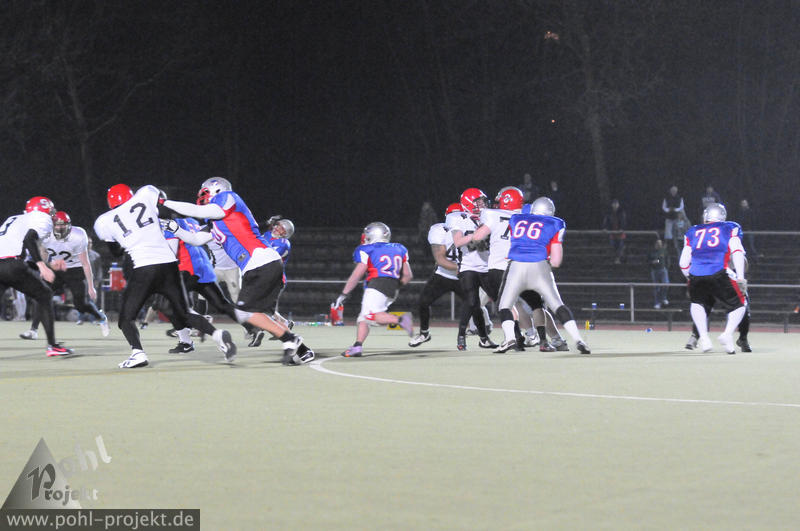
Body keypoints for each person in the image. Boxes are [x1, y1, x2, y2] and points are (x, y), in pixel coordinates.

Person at [160, 177, 313, 365]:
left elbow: (197, 211)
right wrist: (175, 229)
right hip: (259, 265)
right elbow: (196, 240)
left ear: (217, 190)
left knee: (244, 313)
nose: (202, 196)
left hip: (261, 261)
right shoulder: (215, 221)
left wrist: (164, 202)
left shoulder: (228, 197)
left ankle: (291, 340)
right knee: (261, 315)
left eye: (205, 192)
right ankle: (303, 350)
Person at [94, 184, 237, 368]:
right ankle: (217, 336)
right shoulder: (145, 195)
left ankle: (138, 353)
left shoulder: (104, 221)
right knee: (184, 312)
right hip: (169, 265)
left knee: (126, 318)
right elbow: (161, 208)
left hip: (144, 268)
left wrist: (125, 237)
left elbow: (116, 252)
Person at [460, 187, 567, 352]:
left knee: (506, 305)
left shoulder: (492, 215)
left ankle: (515, 337)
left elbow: (478, 236)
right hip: (526, 265)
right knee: (535, 305)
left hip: (501, 269)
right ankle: (549, 339)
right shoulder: (527, 213)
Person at [493, 197, 590, 354]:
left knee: (504, 305)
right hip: (539, 266)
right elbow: (556, 261)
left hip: (516, 266)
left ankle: (510, 338)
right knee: (557, 305)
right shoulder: (555, 223)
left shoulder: (516, 219)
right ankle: (578, 339)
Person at [159, 215, 249, 353]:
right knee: (221, 304)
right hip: (204, 266)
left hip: (187, 269)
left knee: (169, 306)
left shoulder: (167, 223)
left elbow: (171, 252)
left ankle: (214, 334)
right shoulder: (192, 221)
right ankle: (253, 326)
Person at [0, 197, 73, 356]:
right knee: (45, 294)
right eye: (50, 211)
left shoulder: (14, 219)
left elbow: (20, 248)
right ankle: (52, 346)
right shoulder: (41, 218)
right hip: (12, 265)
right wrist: (42, 266)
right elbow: (29, 239)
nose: (52, 214)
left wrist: (48, 263)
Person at [19, 211, 109, 339]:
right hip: (56, 269)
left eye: (63, 225)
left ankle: (100, 317)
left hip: (75, 269)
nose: (60, 228)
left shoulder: (78, 235)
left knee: (81, 305)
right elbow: (43, 253)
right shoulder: (45, 233)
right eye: (57, 225)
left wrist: (91, 286)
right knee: (41, 295)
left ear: (69, 225)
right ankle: (33, 330)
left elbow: (85, 263)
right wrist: (48, 266)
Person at [333, 222, 414, 357]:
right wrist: (395, 286)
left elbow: (357, 274)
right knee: (363, 317)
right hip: (393, 285)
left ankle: (401, 320)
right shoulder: (399, 248)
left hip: (377, 283)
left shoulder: (367, 249)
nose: (365, 238)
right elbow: (408, 275)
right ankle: (357, 346)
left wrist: (344, 293)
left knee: (369, 316)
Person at [678, 203, 747, 354]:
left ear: (706, 216)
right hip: (718, 271)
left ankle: (704, 339)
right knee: (740, 304)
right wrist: (741, 277)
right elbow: (737, 251)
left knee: (697, 303)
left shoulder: (692, 231)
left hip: (696, 273)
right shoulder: (730, 227)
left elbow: (683, 263)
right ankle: (727, 334)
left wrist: (690, 277)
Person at [408, 203, 466, 347]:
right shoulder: (439, 230)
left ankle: (484, 335)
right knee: (423, 302)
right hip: (444, 275)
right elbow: (440, 260)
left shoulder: (471, 229)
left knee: (476, 305)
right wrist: (462, 268)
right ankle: (424, 333)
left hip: (463, 275)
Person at [448, 188, 497, 351]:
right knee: (472, 302)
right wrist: (476, 235)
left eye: (482, 201)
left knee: (501, 300)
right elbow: (458, 242)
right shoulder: (458, 218)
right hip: (468, 266)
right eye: (478, 201)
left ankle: (513, 336)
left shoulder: (488, 217)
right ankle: (461, 336)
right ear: (469, 202)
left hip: (487, 266)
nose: (482, 204)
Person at [662, 185, 686, 256]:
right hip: (669, 217)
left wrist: (675, 209)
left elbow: (681, 207)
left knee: (679, 230)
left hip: (677, 217)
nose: (673, 192)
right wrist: (668, 210)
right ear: (670, 191)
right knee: (668, 231)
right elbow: (664, 207)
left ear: (676, 191)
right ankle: (669, 244)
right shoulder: (666, 198)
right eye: (672, 190)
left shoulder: (680, 198)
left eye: (675, 190)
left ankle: (679, 242)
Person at [602, 198, 627, 264]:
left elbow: (623, 221)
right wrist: (605, 228)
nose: (615, 205)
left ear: (618, 205)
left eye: (616, 204)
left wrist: (622, 228)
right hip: (612, 233)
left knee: (620, 245)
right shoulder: (609, 213)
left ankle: (618, 259)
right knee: (613, 245)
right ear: (612, 205)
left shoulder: (622, 212)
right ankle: (615, 258)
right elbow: (606, 221)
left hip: (620, 233)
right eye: (614, 204)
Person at [647, 239, 669, 309]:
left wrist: (666, 267)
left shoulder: (663, 251)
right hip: (654, 270)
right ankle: (657, 302)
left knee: (666, 284)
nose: (659, 244)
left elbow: (666, 259)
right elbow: (648, 261)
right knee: (656, 287)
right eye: (658, 243)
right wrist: (652, 262)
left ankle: (664, 298)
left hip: (663, 269)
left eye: (660, 243)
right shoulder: (651, 252)